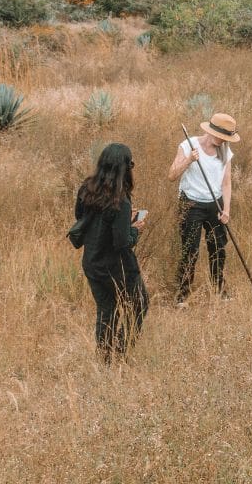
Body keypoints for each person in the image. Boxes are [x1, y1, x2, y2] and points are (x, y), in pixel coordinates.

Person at [75, 143, 148, 362]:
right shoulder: (121, 202)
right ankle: (122, 349)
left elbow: (81, 219)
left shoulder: (87, 189)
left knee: (107, 310)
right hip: (118, 268)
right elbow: (122, 242)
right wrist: (135, 229)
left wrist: (124, 221)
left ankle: (104, 358)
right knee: (140, 304)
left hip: (92, 262)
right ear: (124, 168)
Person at [168, 113, 239, 307]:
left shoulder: (226, 151)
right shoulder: (188, 145)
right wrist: (189, 160)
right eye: (221, 137)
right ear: (211, 131)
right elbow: (172, 175)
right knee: (190, 250)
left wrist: (226, 210)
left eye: (227, 138)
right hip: (190, 204)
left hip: (214, 204)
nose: (223, 141)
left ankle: (219, 289)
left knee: (218, 248)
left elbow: (226, 183)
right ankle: (182, 295)